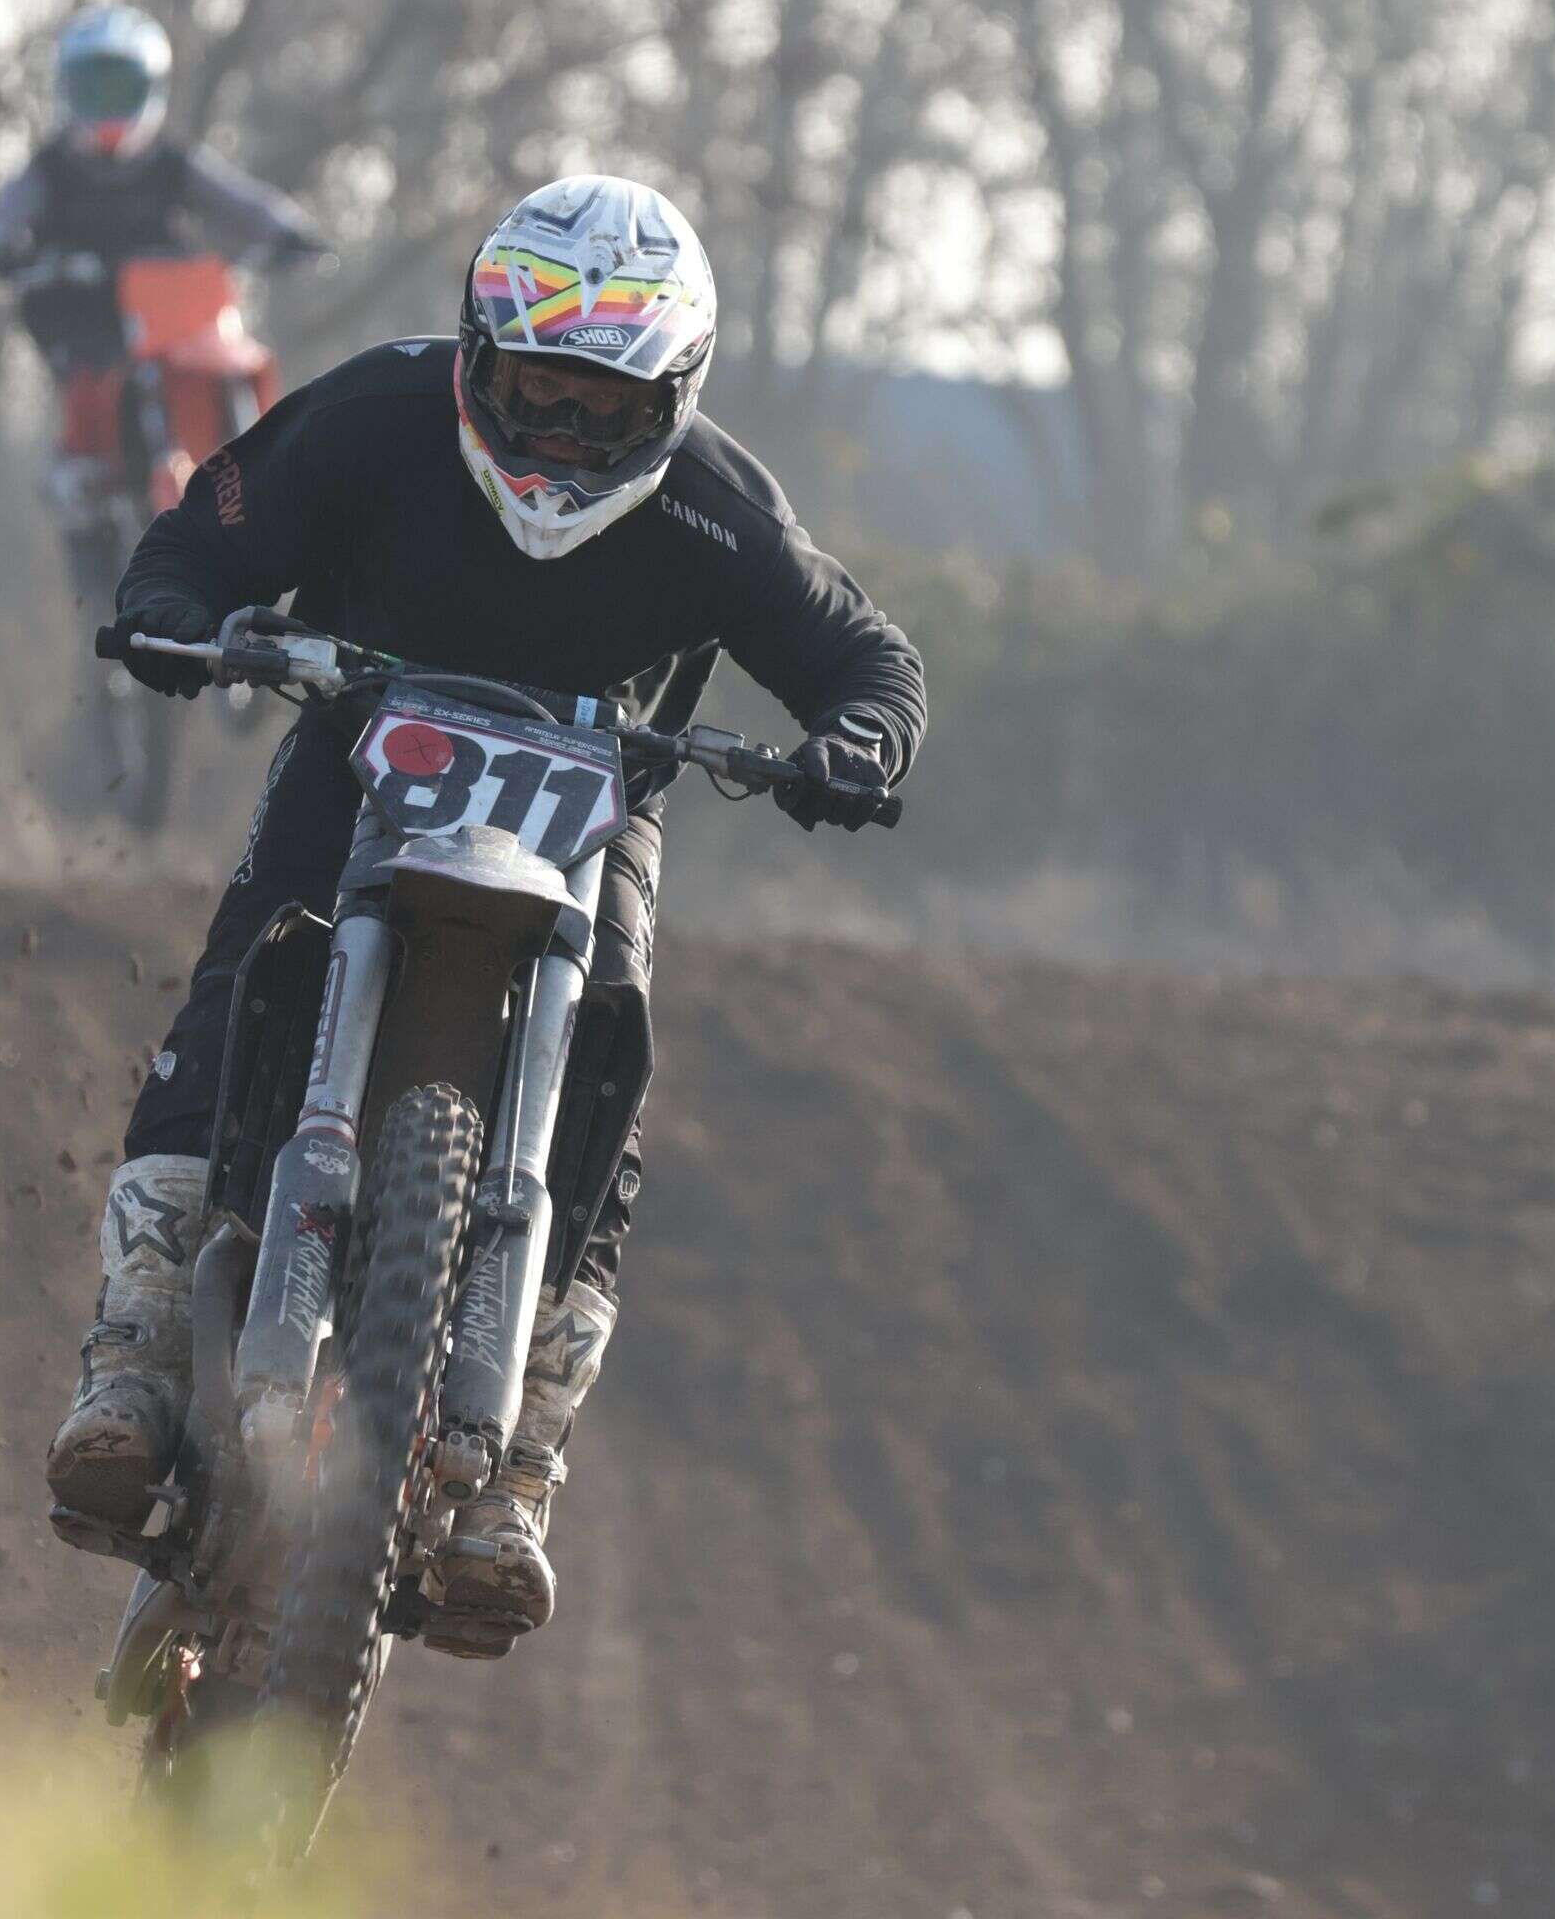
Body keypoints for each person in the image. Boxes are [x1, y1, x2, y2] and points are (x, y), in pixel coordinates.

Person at [49, 173, 927, 1658]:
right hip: (358, 742)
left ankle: (516, 1467)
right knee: (235, 985)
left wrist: (854, 746)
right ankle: (132, 1350)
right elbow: (200, 532)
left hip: (596, 800)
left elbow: (869, 659)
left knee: (610, 1068)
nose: (561, 436)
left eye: (603, 408)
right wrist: (178, 618)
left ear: (673, 398)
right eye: (534, 391)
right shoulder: (375, 416)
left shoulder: (721, 509)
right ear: (474, 352)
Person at [0, 5, 324, 594]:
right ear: (68, 91)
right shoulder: (52, 169)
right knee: (84, 394)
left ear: (150, 88)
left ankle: (261, 479)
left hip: (171, 318)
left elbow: (242, 202)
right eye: (95, 89)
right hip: (85, 319)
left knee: (228, 353)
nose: (108, 105)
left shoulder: (171, 164)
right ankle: (82, 481)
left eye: (122, 88)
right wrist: (13, 254)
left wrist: (290, 232)